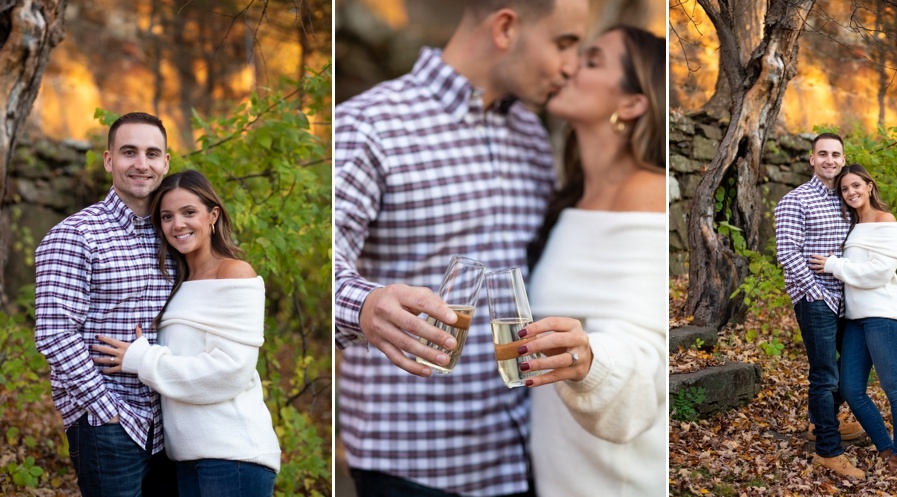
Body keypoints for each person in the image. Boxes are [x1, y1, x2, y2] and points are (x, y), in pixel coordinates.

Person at [334, 0, 588, 495]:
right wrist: (364, 304)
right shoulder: (368, 125)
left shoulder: (531, 135)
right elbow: (321, 266)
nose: (571, 66)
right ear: (507, 27)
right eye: (564, 43)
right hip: (413, 466)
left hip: (523, 457)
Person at [512, 25, 666, 496]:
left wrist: (590, 360)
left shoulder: (649, 196)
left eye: (593, 60)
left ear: (633, 103)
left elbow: (648, 359)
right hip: (561, 477)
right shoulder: (571, 200)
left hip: (619, 480)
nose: (572, 66)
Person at [93, 170, 281, 496]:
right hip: (184, 457)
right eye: (167, 216)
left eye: (189, 212)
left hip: (233, 453)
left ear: (213, 215)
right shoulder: (177, 284)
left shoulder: (234, 273)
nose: (177, 224)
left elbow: (230, 372)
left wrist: (140, 358)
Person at [34, 111, 178, 497]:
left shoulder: (173, 235)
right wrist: (105, 409)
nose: (141, 164)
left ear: (166, 162)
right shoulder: (75, 235)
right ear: (109, 160)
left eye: (152, 153)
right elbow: (54, 333)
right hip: (107, 423)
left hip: (170, 424)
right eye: (129, 152)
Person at [808, 164, 897, 478]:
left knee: (895, 389)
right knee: (852, 389)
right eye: (844, 189)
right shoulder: (851, 225)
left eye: (856, 186)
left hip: (883, 314)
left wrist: (833, 265)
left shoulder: (887, 221)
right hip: (854, 318)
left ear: (869, 185)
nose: (851, 192)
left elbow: (881, 272)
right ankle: (884, 446)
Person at [774, 132, 868, 479]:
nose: (830, 160)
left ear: (844, 159)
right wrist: (816, 292)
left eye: (836, 154)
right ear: (812, 159)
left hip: (848, 299)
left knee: (855, 369)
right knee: (825, 374)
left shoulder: (846, 200)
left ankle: (821, 420)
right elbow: (787, 253)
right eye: (823, 154)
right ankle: (827, 450)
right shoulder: (794, 201)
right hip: (814, 299)